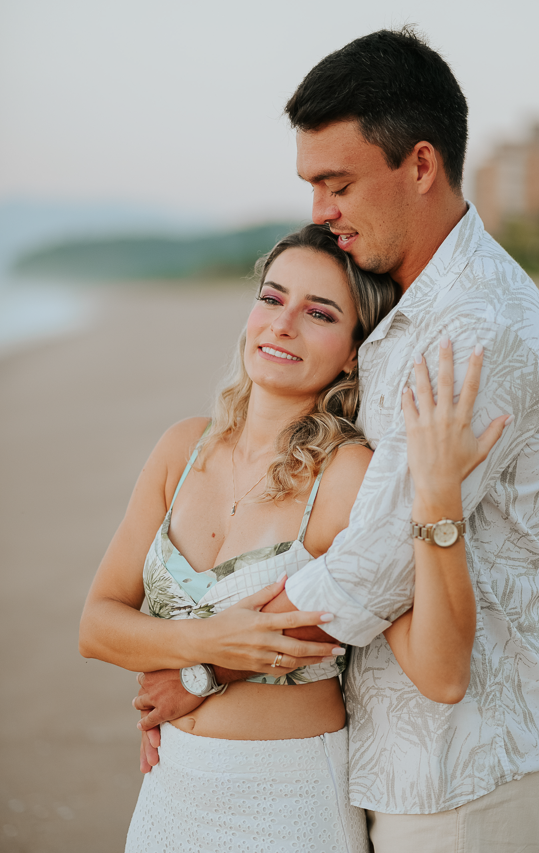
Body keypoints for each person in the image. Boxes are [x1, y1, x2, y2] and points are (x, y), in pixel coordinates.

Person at [132, 29, 539, 852]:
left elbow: (372, 559)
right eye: (310, 186)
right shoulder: (402, 309)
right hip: (363, 748)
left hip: (453, 764)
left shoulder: (477, 326)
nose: (319, 212)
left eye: (336, 183)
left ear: (419, 165)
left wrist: (204, 670)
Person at [80, 223, 508, 851]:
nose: (283, 325)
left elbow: (441, 673)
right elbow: (96, 626)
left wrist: (438, 499)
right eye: (273, 298)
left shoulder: (348, 476)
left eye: (320, 313)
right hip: (169, 794)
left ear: (355, 351)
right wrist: (205, 643)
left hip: (288, 802)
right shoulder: (182, 446)